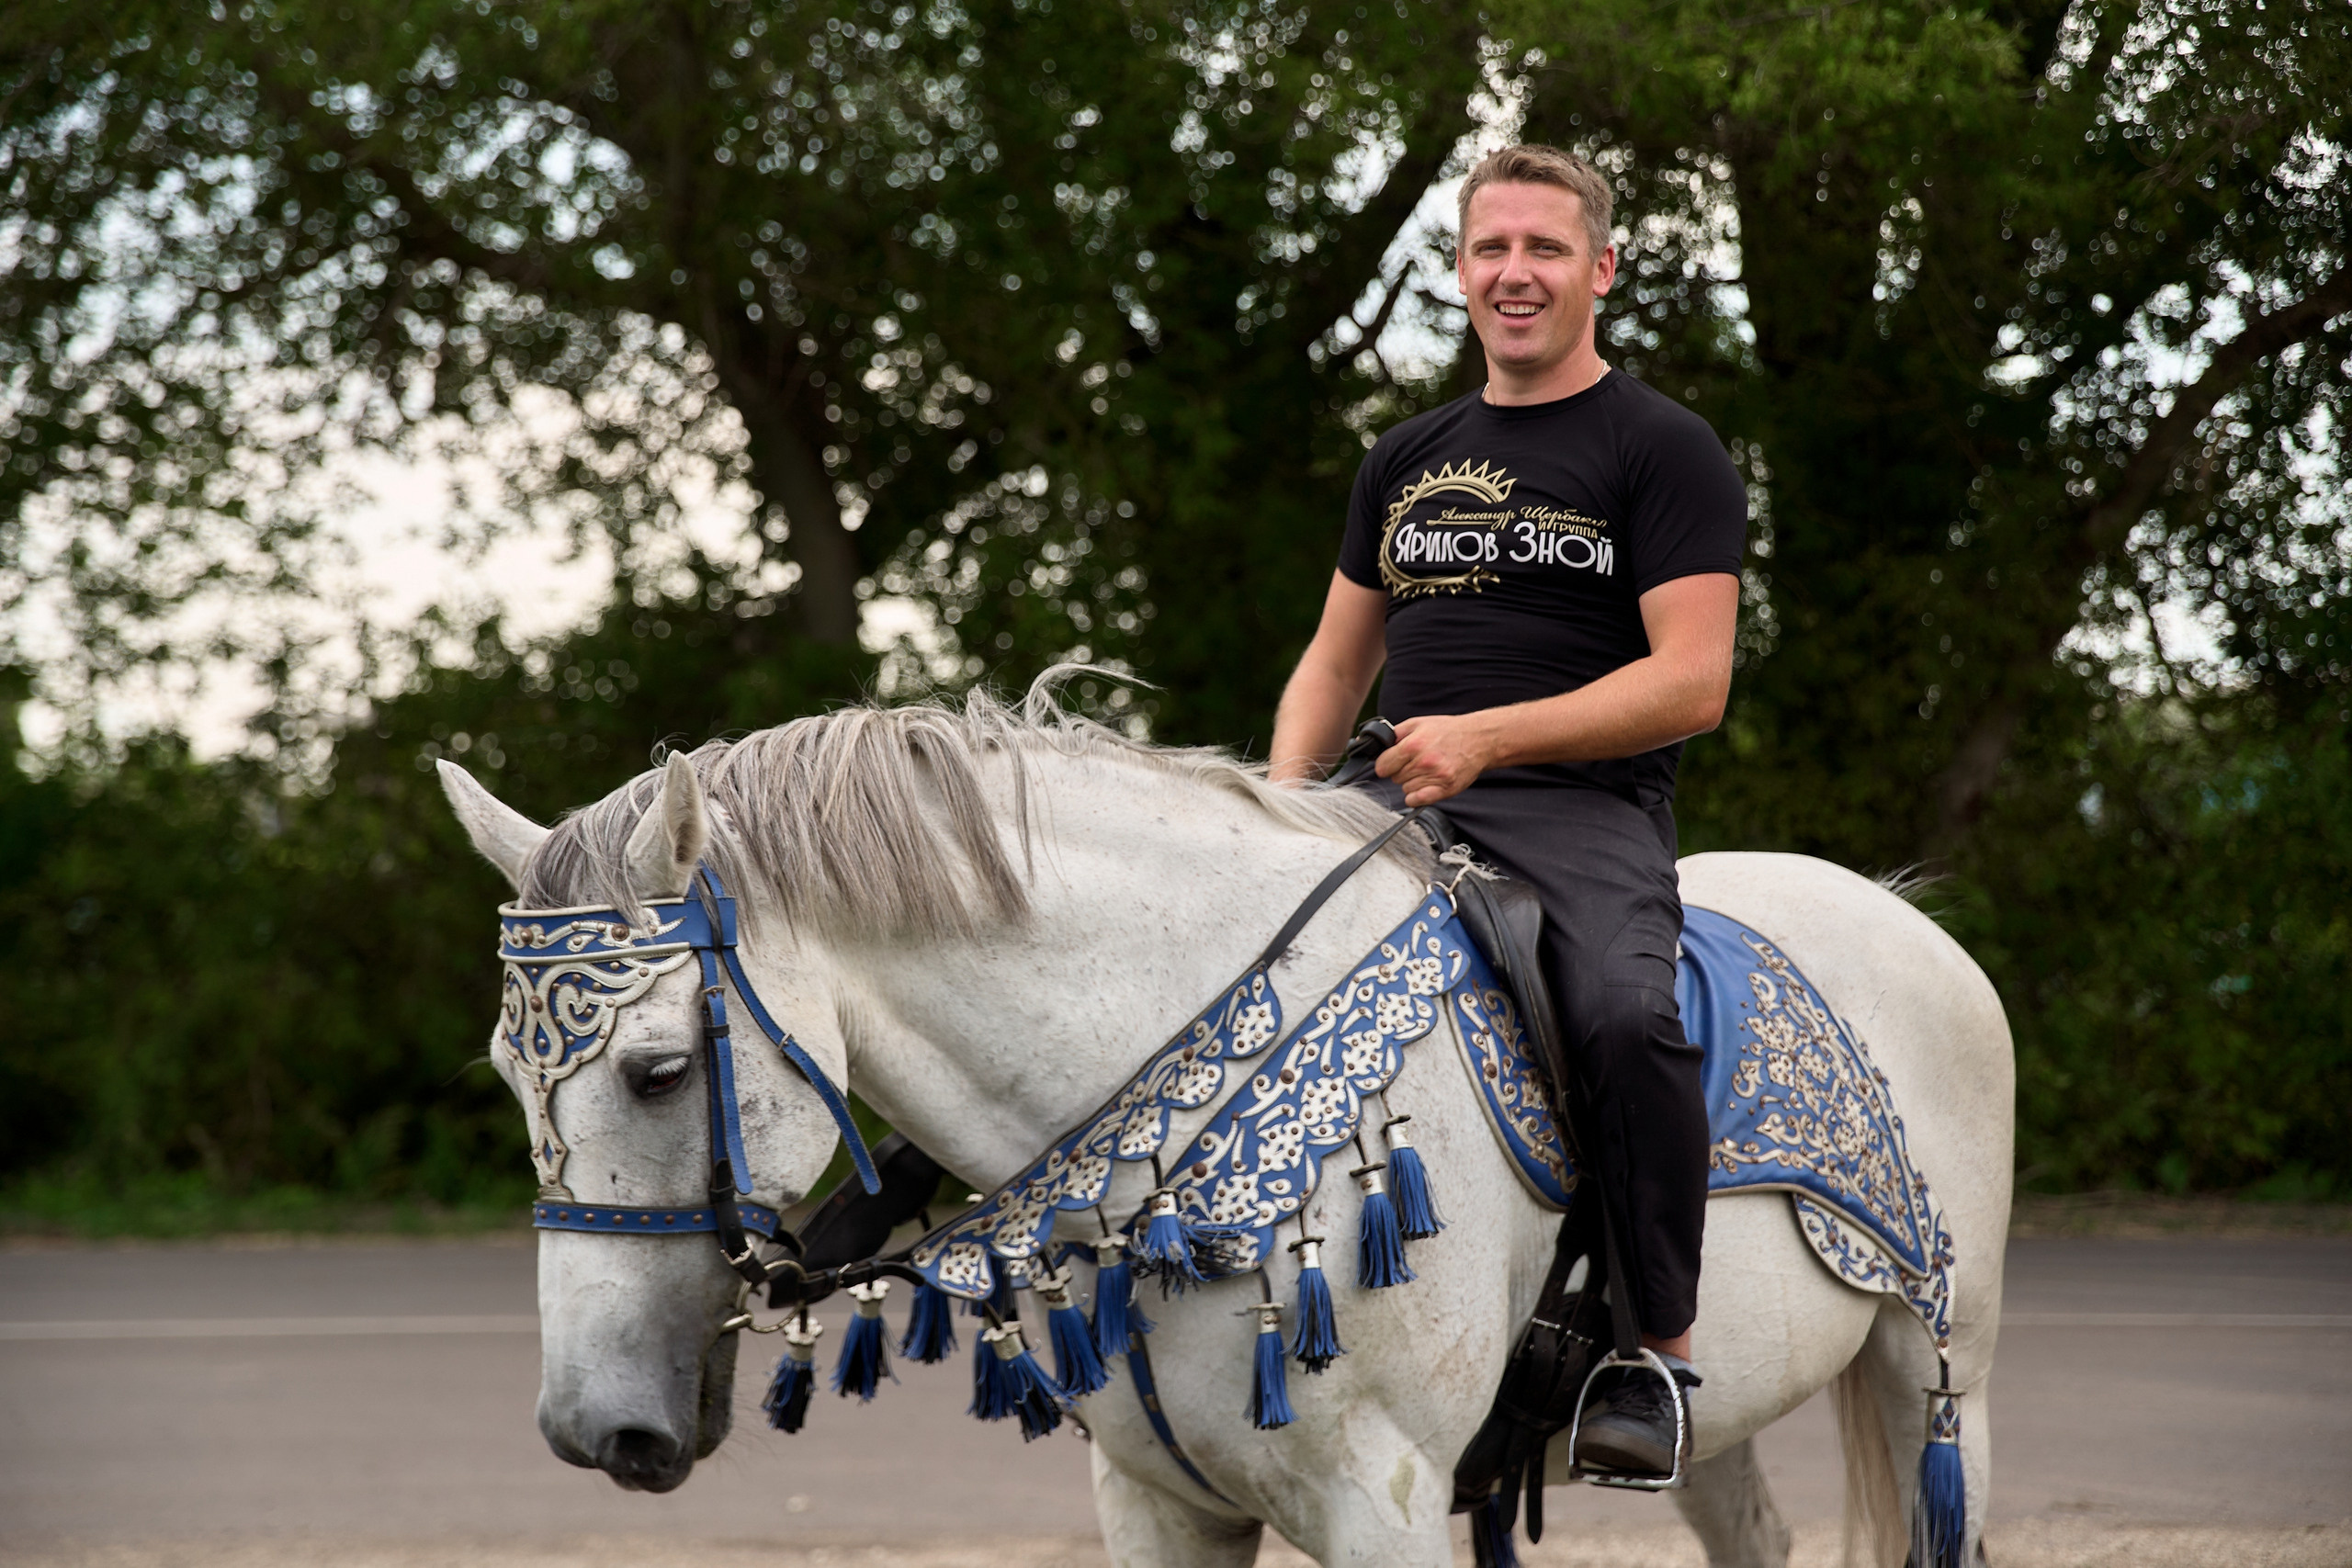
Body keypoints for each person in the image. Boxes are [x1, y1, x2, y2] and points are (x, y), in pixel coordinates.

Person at [1267, 143, 1746, 1477]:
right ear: (1461, 272)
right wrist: (1275, 808)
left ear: (1599, 270)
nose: (1513, 274)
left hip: (1578, 812)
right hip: (1392, 793)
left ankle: (1657, 1353)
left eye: (1543, 249)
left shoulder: (1663, 448)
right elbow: (1332, 661)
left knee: (1625, 1015)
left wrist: (1491, 737)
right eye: (1490, 249)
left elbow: (1693, 681)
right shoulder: (1406, 457)